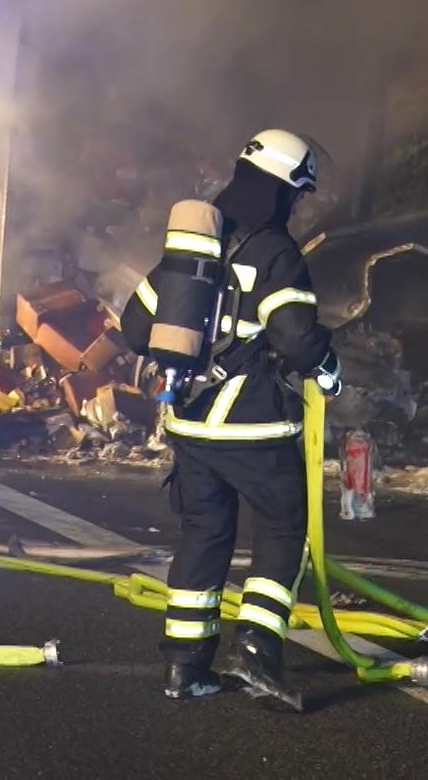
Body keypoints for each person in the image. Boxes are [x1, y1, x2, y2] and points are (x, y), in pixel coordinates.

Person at [120, 129, 342, 711]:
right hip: (252, 428)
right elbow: (296, 338)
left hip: (190, 425)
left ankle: (185, 670)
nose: (298, 207)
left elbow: (135, 327)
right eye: (298, 195)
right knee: (283, 529)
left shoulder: (191, 245)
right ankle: (257, 648)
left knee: (204, 536)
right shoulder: (275, 251)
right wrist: (329, 367)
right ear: (283, 191)